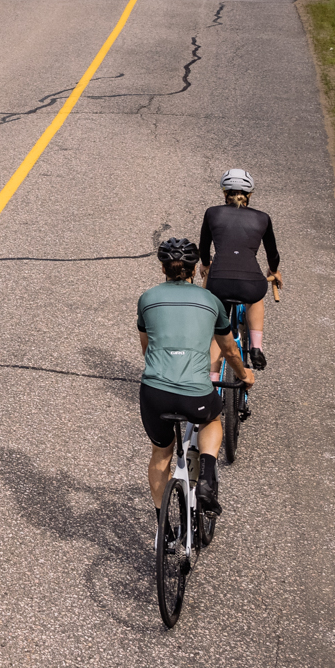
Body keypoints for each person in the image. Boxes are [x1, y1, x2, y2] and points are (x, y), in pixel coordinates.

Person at [139, 235, 251, 536]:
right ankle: (208, 472)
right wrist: (244, 375)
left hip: (155, 392)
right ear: (193, 271)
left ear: (163, 269)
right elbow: (229, 351)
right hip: (195, 394)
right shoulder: (211, 301)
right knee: (211, 418)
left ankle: (165, 527)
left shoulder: (148, 298)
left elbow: (147, 349)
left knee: (161, 454)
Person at [199, 168, 283, 368]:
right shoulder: (263, 218)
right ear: (249, 195)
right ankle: (256, 347)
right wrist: (274, 270)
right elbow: (273, 252)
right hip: (250, 283)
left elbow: (204, 246)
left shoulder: (212, 212)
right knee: (255, 297)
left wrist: (205, 264)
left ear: (224, 193)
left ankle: (212, 382)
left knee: (220, 333)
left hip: (219, 282)